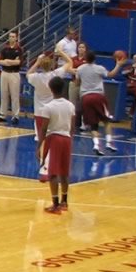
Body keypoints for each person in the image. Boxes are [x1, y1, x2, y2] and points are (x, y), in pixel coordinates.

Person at [74, 44, 125, 154]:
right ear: (95, 59)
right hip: (98, 96)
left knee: (93, 125)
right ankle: (109, 143)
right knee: (106, 121)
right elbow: (111, 75)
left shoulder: (80, 69)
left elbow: (77, 83)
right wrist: (118, 65)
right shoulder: (99, 68)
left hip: (86, 97)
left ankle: (96, 145)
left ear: (85, 58)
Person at [39, 75, 75, 214]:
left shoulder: (48, 107)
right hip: (66, 139)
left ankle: (55, 204)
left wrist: (39, 146)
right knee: (64, 172)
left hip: (54, 138)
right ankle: (64, 202)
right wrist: (69, 137)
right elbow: (72, 127)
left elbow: (43, 128)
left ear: (51, 89)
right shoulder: (70, 105)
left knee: (52, 173)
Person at [27, 52, 58, 145]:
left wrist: (37, 62)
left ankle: (40, 149)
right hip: (51, 107)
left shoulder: (36, 77)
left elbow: (28, 73)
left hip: (39, 109)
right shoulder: (54, 75)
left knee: (39, 134)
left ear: (41, 66)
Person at [0, 30, 24, 122]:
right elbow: (0, 61)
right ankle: (2, 115)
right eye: (10, 36)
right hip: (4, 73)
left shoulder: (19, 49)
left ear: (16, 38)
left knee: (14, 96)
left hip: (14, 73)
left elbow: (18, 62)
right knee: (4, 94)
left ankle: (15, 116)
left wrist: (7, 61)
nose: (11, 38)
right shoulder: (4, 49)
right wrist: (11, 62)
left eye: (13, 36)